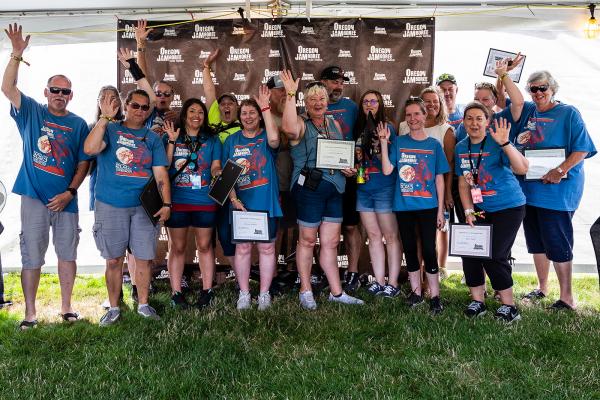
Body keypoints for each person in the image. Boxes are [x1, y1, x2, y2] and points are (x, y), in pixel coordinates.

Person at [2, 23, 91, 329]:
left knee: (67, 255)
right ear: (46, 92)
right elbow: (8, 89)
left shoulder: (79, 124)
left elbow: (84, 163)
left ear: (70, 96)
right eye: (55, 90)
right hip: (34, 198)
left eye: (65, 91)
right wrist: (16, 55)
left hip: (66, 201)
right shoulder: (31, 111)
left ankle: (67, 307)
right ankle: (30, 312)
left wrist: (70, 192)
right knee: (32, 257)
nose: (60, 95)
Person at [85, 49, 171, 325]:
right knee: (113, 260)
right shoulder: (110, 128)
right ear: (126, 105)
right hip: (110, 204)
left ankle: (144, 304)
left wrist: (166, 204)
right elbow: (89, 148)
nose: (141, 110)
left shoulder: (153, 137)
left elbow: (161, 174)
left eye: (146, 108)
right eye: (135, 106)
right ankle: (113, 308)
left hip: (144, 207)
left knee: (144, 259)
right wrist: (104, 118)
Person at [513, 71, 597, 310]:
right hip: (529, 189)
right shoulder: (528, 110)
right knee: (536, 242)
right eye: (533, 88)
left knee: (557, 242)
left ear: (553, 89)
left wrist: (559, 170)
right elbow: (506, 99)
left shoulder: (569, 113)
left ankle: (567, 297)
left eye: (543, 88)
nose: (538, 93)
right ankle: (542, 288)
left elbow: (582, 150)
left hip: (557, 193)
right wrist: (503, 75)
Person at [281, 70, 364, 309]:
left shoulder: (333, 123)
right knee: (307, 240)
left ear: (328, 102)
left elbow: (338, 156)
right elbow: (288, 129)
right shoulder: (300, 122)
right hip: (309, 188)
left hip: (334, 187)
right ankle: (305, 290)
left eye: (322, 99)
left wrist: (348, 168)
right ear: (305, 103)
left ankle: (336, 292)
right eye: (312, 99)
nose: (318, 103)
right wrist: (289, 94)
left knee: (330, 242)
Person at [456, 102, 529, 322]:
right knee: (470, 251)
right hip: (479, 207)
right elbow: (463, 182)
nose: (474, 122)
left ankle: (509, 306)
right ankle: (478, 301)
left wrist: (506, 142)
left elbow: (522, 168)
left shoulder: (497, 142)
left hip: (509, 206)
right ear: (463, 121)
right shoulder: (461, 146)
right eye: (469, 118)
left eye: (479, 118)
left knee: (495, 254)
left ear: (488, 122)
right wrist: (468, 209)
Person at [380, 97, 449, 314]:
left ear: (424, 115)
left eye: (417, 114)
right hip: (404, 205)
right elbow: (387, 170)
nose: (413, 119)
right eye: (408, 115)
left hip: (428, 206)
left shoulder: (434, 145)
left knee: (429, 249)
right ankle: (416, 292)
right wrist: (384, 143)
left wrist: (440, 211)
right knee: (409, 249)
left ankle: (435, 296)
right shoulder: (399, 142)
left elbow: (439, 179)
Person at [223, 88, 281, 310]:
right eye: (244, 113)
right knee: (243, 249)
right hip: (241, 204)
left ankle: (264, 294)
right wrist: (233, 198)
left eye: (252, 113)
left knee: (266, 249)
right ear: (239, 117)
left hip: (265, 202)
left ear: (259, 116)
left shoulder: (267, 136)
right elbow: (226, 174)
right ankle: (245, 293)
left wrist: (265, 106)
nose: (248, 117)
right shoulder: (231, 141)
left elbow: (276, 140)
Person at [163, 99, 222, 309]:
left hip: (205, 200)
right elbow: (165, 165)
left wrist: (219, 174)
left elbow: (215, 166)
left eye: (200, 112)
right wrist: (171, 141)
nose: (196, 115)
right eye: (192, 111)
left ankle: (207, 290)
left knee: (205, 246)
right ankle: (176, 292)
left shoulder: (212, 140)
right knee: (177, 247)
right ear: (184, 114)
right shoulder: (173, 136)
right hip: (177, 200)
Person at [400, 87, 455, 278]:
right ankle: (416, 276)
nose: (432, 105)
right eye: (427, 101)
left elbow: (448, 166)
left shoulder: (445, 130)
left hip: (432, 196)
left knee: (429, 239)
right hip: (408, 198)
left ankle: (433, 274)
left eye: (435, 101)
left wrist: (447, 193)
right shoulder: (404, 127)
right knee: (411, 239)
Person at [353, 90, 402, 297]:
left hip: (384, 188)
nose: (369, 104)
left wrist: (381, 142)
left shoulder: (388, 127)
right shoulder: (357, 129)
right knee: (373, 236)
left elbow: (390, 164)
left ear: (380, 104)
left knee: (390, 236)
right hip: (363, 188)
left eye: (373, 101)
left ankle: (393, 283)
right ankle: (379, 281)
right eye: (365, 102)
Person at [320, 66, 362, 292]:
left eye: (341, 82)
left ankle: (353, 272)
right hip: (322, 177)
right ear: (322, 82)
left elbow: (361, 140)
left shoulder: (351, 107)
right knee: (326, 229)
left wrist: (355, 164)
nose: (339, 86)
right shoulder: (314, 106)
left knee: (350, 226)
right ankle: (329, 272)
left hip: (347, 175)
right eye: (334, 81)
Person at [202, 48, 242, 272]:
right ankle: (213, 274)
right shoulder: (214, 118)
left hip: (236, 184)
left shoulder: (243, 126)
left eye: (231, 104)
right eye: (223, 103)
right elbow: (209, 92)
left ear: (238, 108)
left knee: (229, 233)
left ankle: (240, 276)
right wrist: (206, 67)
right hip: (212, 184)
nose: (226, 106)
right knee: (209, 231)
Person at [135, 19, 178, 136]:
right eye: (158, 94)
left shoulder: (178, 117)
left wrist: (179, 119)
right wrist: (140, 43)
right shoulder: (145, 111)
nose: (162, 97)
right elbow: (141, 76)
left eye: (166, 94)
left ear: (173, 97)